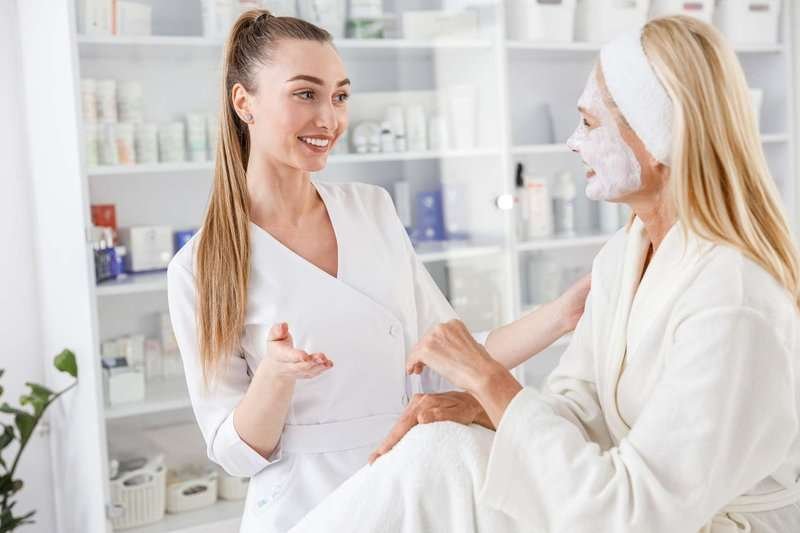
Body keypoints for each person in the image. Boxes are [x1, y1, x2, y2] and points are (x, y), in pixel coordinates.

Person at [291, 15, 800, 533]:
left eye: (591, 123)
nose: (574, 142)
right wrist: (478, 406)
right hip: (616, 503)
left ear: (660, 137)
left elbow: (635, 515)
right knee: (440, 445)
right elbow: (579, 411)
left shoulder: (733, 299)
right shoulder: (626, 254)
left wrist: (487, 378)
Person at [167, 9, 590, 532]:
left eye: (340, 96)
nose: (329, 118)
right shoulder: (201, 267)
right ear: (243, 102)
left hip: (413, 484)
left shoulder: (371, 210)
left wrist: (564, 314)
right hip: (309, 505)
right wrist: (275, 377)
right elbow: (233, 453)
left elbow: (447, 357)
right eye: (306, 94)